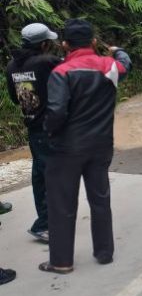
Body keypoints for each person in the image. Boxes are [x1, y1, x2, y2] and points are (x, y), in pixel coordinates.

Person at [39, 19, 131, 274]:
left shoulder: (61, 72)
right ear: (93, 42)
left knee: (62, 204)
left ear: (65, 44)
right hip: (101, 146)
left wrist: (49, 132)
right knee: (100, 199)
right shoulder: (110, 67)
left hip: (67, 148)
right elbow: (126, 64)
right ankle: (104, 253)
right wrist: (117, 50)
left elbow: (57, 111)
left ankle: (61, 261)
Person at [6, 23, 61, 243]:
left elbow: (14, 98)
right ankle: (45, 224)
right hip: (51, 127)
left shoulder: (11, 66)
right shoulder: (48, 62)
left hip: (33, 127)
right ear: (44, 44)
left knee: (40, 175)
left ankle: (44, 222)